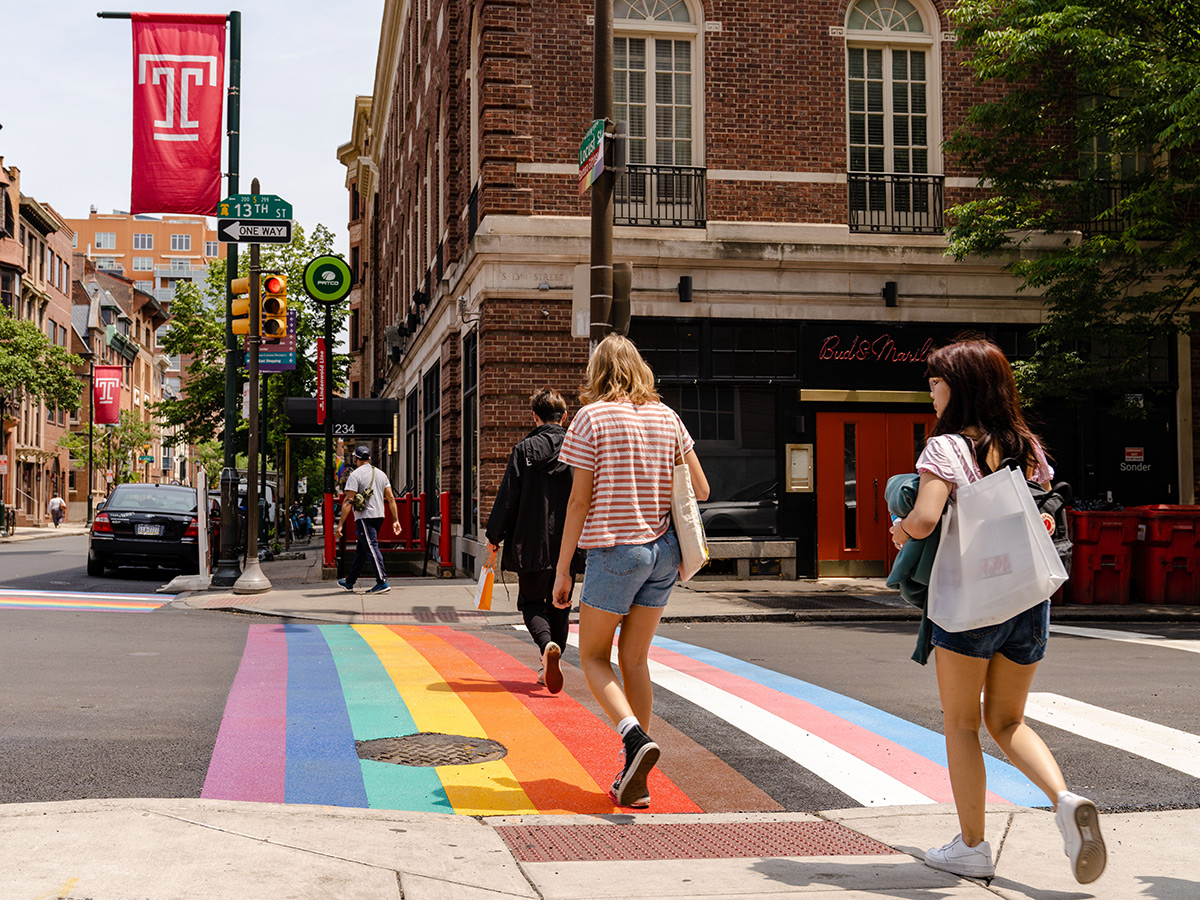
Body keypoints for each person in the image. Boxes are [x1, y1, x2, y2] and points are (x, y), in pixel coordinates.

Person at [890, 337, 1106, 885]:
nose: (931, 392)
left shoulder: (944, 449)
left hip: (969, 604)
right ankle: (1064, 800)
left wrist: (900, 529)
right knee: (1008, 719)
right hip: (1029, 600)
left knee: (961, 725)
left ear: (958, 387)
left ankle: (971, 847)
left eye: (935, 382)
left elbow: (925, 519)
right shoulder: (1028, 447)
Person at [552, 334, 709, 809]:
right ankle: (632, 775)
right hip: (663, 554)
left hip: (615, 552)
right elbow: (700, 489)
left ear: (597, 371)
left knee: (594, 657)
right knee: (635, 660)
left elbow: (578, 501)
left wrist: (563, 570)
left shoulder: (590, 418)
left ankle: (634, 739)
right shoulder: (668, 417)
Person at [486, 388, 583, 693]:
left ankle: (546, 646)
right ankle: (549, 663)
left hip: (531, 542)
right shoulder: (577, 449)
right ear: (564, 416)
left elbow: (508, 498)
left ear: (535, 416)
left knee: (531, 603)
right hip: (569, 541)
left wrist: (494, 535)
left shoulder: (524, 450)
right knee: (561, 602)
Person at [334, 445, 401, 594]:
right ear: (369, 458)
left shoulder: (355, 475)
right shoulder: (381, 474)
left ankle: (382, 581)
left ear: (356, 459)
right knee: (362, 550)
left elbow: (348, 501)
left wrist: (340, 525)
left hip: (365, 516)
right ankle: (350, 581)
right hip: (379, 516)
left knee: (371, 547)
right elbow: (390, 497)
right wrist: (395, 520)